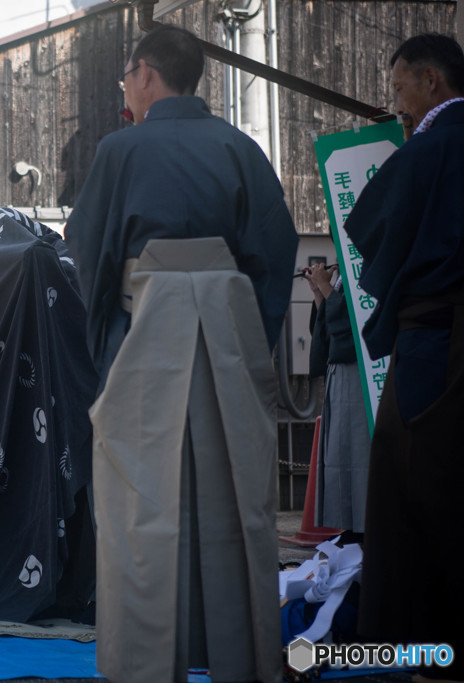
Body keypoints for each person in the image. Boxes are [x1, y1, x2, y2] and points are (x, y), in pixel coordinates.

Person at [64, 26, 297, 683]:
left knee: (140, 506)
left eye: (126, 78)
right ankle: (243, 660)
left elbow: (92, 252)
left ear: (143, 74)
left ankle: (146, 666)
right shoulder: (240, 148)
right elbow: (276, 252)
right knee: (238, 501)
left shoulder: (121, 149)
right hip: (230, 332)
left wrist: (107, 341)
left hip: (146, 330)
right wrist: (253, 339)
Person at [341, 33, 464, 682]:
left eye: (400, 91)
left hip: (436, 347)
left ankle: (436, 652)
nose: (399, 108)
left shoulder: (435, 145)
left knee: (421, 490)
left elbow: (374, 231)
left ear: (432, 81)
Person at [305, 262, 370, 537]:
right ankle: (350, 525)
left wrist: (325, 286)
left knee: (355, 452)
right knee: (340, 452)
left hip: (357, 368)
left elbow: (353, 321)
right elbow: (329, 325)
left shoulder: (361, 264)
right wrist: (320, 293)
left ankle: (361, 526)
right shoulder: (345, 267)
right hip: (339, 369)